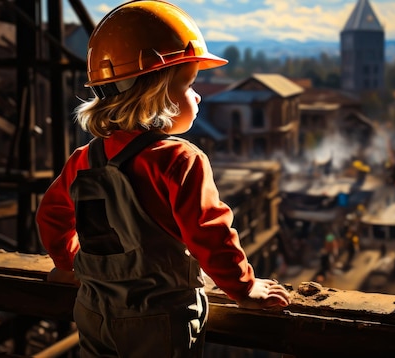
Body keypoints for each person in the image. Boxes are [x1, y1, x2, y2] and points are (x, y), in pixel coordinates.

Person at [35, 1, 291, 357]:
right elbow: (210, 234)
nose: (198, 94)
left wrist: (68, 263)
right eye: (188, 84)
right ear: (156, 96)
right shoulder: (180, 159)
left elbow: (50, 216)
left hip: (93, 311)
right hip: (158, 321)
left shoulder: (85, 158)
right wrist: (244, 288)